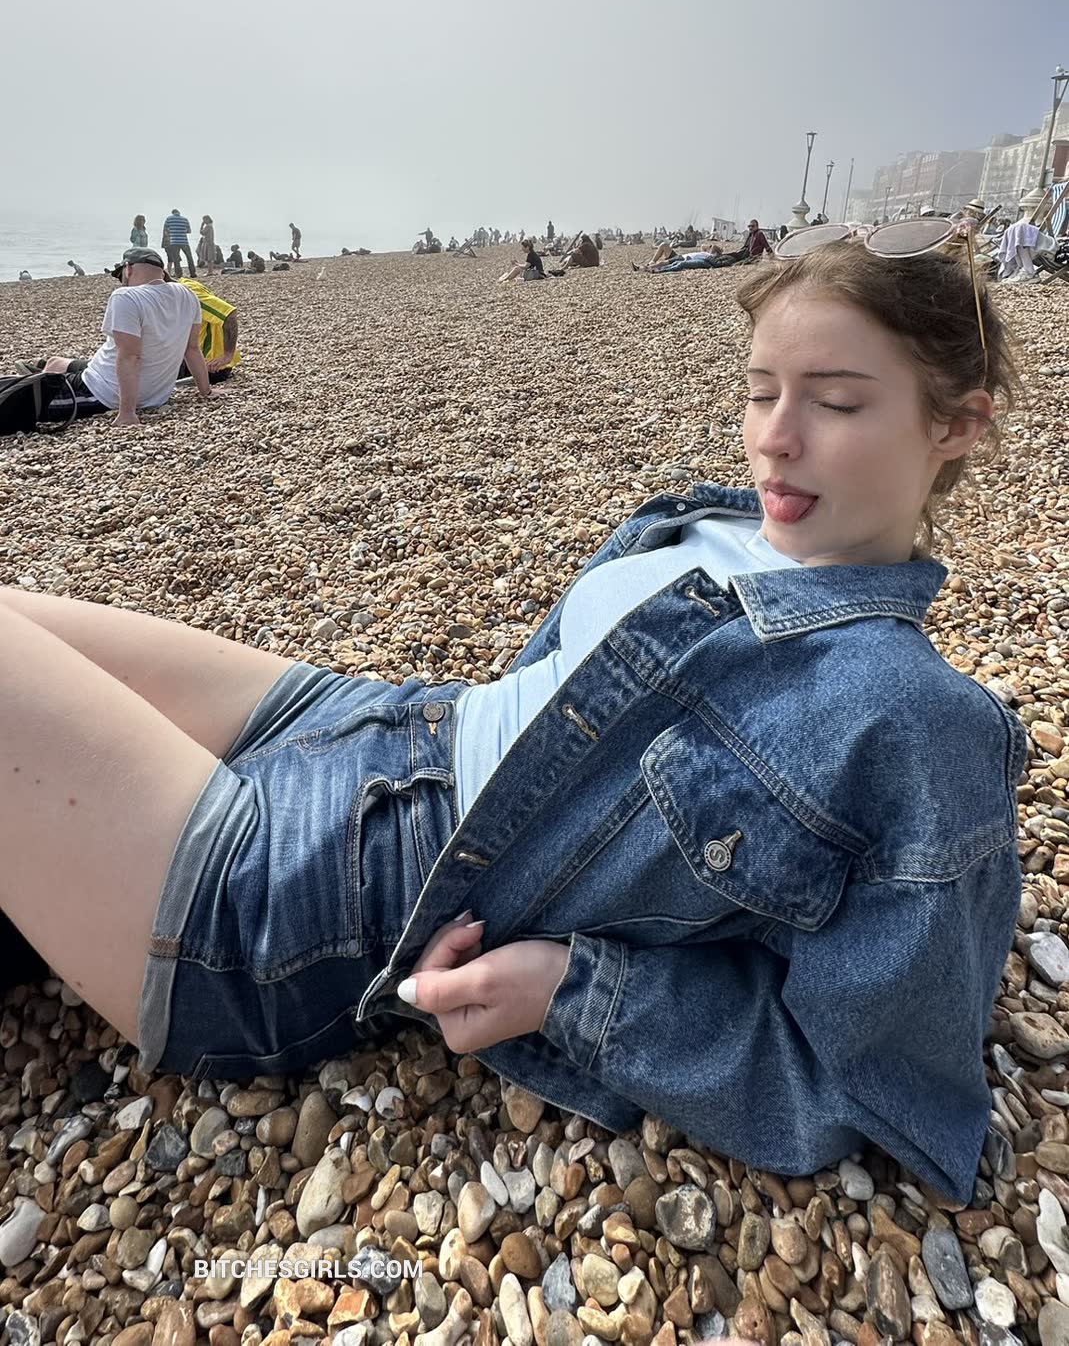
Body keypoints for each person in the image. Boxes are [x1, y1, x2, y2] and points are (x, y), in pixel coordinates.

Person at [0, 239, 1023, 1204]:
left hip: (321, 897)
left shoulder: (915, 721)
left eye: (835, 402)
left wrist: (570, 989)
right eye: (761, 391)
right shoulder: (718, 519)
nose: (773, 437)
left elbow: (872, 1092)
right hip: (380, 717)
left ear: (956, 424)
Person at [36, 248, 216, 426]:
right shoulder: (187, 295)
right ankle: (43, 374)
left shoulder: (126, 296)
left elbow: (130, 357)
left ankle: (41, 381)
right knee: (55, 363)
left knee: (30, 400)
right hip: (150, 392)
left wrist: (127, 413)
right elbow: (192, 349)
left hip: (102, 391)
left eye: (121, 276)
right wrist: (206, 391)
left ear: (128, 269)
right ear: (162, 272)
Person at [179, 278, 241, 381]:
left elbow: (229, 314)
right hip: (197, 356)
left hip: (210, 365)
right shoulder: (184, 283)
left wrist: (227, 355)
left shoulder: (188, 295)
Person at [161, 208, 195, 278]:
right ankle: (192, 273)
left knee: (176, 259)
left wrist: (171, 232)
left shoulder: (169, 219)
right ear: (179, 213)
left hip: (174, 241)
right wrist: (182, 231)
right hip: (184, 241)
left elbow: (165, 230)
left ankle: (179, 274)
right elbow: (189, 231)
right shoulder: (185, 219)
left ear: (172, 213)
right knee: (189, 257)